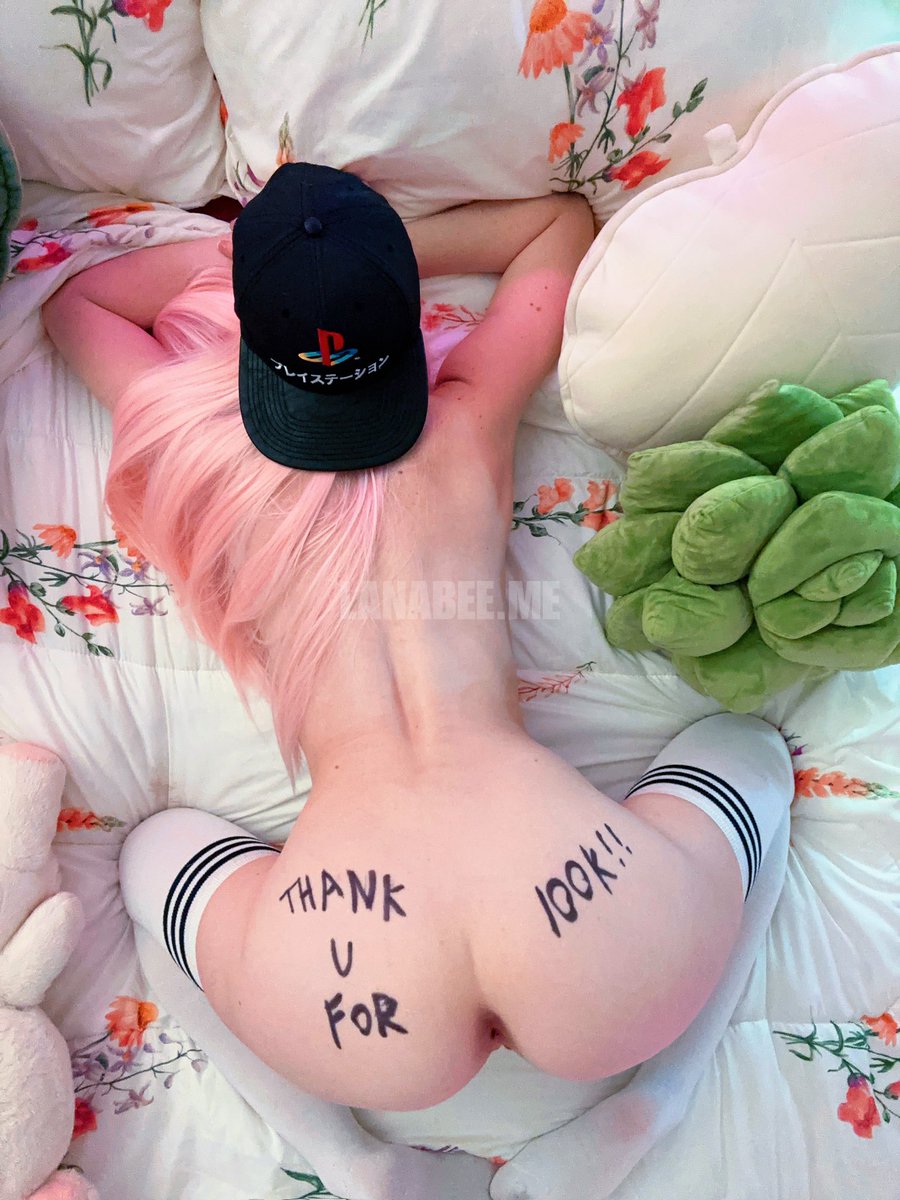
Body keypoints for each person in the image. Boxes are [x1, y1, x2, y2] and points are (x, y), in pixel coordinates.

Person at [42, 163, 794, 1199]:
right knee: (751, 752)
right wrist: (380, 260)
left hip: (348, 988)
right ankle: (648, 1105)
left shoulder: (198, 444)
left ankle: (349, 1159)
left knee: (151, 856)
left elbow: (77, 305)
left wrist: (253, 269)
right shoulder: (468, 417)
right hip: (601, 937)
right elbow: (557, 228)